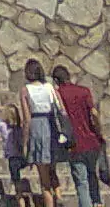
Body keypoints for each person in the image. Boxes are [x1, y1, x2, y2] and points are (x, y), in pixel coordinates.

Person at [53, 64, 106, 207]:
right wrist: (99, 132)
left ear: (56, 80)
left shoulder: (58, 94)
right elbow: (94, 113)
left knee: (81, 182)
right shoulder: (84, 91)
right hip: (91, 141)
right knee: (92, 175)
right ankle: (97, 203)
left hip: (75, 144)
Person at [20, 58, 64, 207]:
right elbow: (61, 109)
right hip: (51, 126)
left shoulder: (25, 90)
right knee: (52, 166)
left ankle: (50, 203)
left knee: (43, 178)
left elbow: (26, 119)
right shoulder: (50, 87)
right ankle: (58, 194)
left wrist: (24, 142)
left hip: (37, 128)